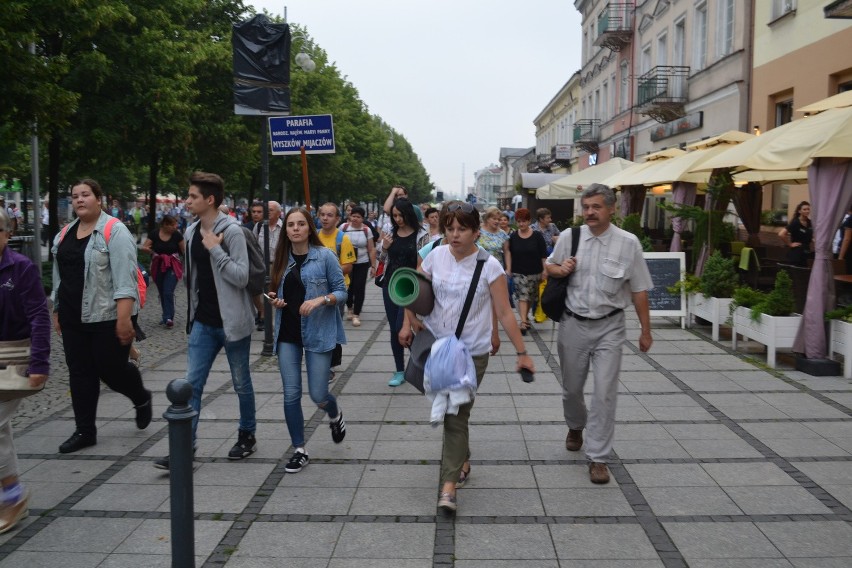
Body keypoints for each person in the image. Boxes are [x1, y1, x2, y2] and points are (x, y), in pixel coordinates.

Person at [399, 201, 534, 513]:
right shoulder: (435, 256)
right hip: (436, 347)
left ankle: (448, 487)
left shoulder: (490, 266)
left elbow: (503, 311)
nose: (454, 235)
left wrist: (522, 352)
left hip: (472, 352)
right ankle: (462, 457)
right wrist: (409, 322)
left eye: (461, 229)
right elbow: (412, 289)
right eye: (449, 228)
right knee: (454, 414)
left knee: (453, 414)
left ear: (476, 231)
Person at [546, 183, 653, 484]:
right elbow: (549, 268)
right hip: (573, 324)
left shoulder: (628, 243)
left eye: (596, 207)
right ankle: (576, 425)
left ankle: (598, 457)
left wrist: (646, 331)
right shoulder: (570, 237)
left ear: (611, 208)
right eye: (586, 206)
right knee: (572, 388)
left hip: (610, 326)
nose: (590, 212)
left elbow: (639, 289)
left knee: (605, 393)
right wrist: (561, 269)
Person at [153, 172, 257, 470]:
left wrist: (215, 249)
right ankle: (185, 447)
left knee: (240, 382)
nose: (187, 201)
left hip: (233, 322)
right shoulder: (190, 231)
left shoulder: (233, 231)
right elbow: (193, 277)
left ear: (209, 199)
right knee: (191, 384)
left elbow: (241, 276)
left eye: (192, 196)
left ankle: (247, 434)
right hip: (203, 321)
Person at [51, 179, 151, 454]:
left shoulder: (114, 231)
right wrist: (57, 310)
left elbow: (125, 279)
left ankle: (141, 398)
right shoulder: (63, 235)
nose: (79, 200)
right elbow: (60, 279)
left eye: (85, 195)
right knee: (80, 373)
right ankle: (85, 430)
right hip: (73, 318)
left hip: (106, 316)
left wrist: (124, 319)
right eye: (75, 196)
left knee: (112, 370)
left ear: (99, 199)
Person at [268, 208, 347, 473]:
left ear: (308, 227)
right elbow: (276, 290)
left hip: (318, 331)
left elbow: (341, 291)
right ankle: (299, 449)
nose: (296, 229)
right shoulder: (280, 259)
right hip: (288, 333)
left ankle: (334, 414)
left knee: (317, 394)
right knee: (291, 394)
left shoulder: (324, 256)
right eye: (291, 225)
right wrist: (275, 300)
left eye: (301, 224)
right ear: (286, 230)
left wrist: (319, 300)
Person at [0, 207, 50, 533]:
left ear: (6, 234)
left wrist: (40, 362)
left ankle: (12, 499)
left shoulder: (20, 268)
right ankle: (12, 496)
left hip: (14, 358)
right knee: (1, 430)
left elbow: (40, 316)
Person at [380, 198, 428, 386]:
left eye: (400, 215)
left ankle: (423, 360)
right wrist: (384, 247)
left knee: (403, 325)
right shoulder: (390, 233)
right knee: (394, 329)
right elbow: (382, 259)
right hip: (390, 285)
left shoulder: (421, 235)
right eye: (394, 216)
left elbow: (423, 262)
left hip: (411, 286)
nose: (398, 219)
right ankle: (400, 370)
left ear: (409, 214)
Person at [317, 203, 355, 381]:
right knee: (317, 326)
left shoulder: (343, 239)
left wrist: (327, 271)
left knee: (332, 326)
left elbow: (348, 266)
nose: (325, 218)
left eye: (329, 215)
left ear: (337, 219)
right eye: (322, 214)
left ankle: (330, 364)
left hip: (337, 290)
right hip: (315, 289)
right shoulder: (314, 237)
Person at [506, 208, 547, 335]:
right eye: (518, 221)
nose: (521, 224)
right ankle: (523, 322)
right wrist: (509, 268)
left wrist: (545, 269)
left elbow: (543, 255)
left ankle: (525, 318)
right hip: (519, 271)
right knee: (523, 296)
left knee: (530, 297)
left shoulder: (537, 236)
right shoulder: (513, 236)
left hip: (535, 271)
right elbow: (508, 252)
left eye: (524, 221)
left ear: (529, 221)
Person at [141, 214, 185, 328]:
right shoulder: (155, 234)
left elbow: (184, 251)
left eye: (176, 224)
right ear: (165, 225)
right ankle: (166, 315)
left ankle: (169, 317)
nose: (175, 227)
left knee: (167, 291)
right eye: (173, 225)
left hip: (173, 265)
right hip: (158, 265)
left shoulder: (177, 235)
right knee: (162, 292)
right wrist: (151, 252)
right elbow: (144, 247)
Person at [340, 206, 377, 327]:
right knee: (348, 286)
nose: (355, 219)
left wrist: (373, 266)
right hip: (346, 263)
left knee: (359, 287)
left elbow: (371, 249)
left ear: (362, 218)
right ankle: (349, 307)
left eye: (358, 217)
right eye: (353, 216)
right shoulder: (343, 228)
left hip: (362, 262)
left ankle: (356, 314)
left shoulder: (366, 230)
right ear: (350, 216)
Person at [251, 201, 283, 331]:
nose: (267, 212)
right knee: (255, 292)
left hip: (278, 264)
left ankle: (269, 320)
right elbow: (253, 245)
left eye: (271, 210)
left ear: (279, 213)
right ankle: (262, 312)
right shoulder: (259, 226)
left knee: (274, 293)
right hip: (260, 264)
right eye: (267, 210)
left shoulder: (284, 226)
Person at [779, 200, 813, 267]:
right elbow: (781, 234)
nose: (807, 211)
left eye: (808, 209)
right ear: (799, 211)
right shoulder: (796, 223)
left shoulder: (810, 223)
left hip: (806, 253)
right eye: (804, 209)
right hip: (796, 254)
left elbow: (810, 236)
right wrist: (790, 244)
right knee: (796, 274)